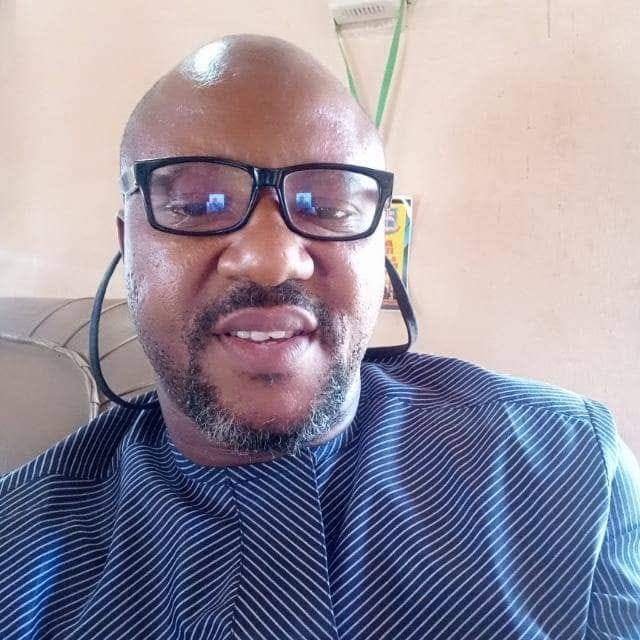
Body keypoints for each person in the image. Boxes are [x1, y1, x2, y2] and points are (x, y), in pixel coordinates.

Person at [1, 35, 639, 640]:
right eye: (198, 205)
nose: (271, 260)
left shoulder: (570, 467)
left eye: (328, 207)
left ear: (380, 248)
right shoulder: (20, 553)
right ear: (127, 245)